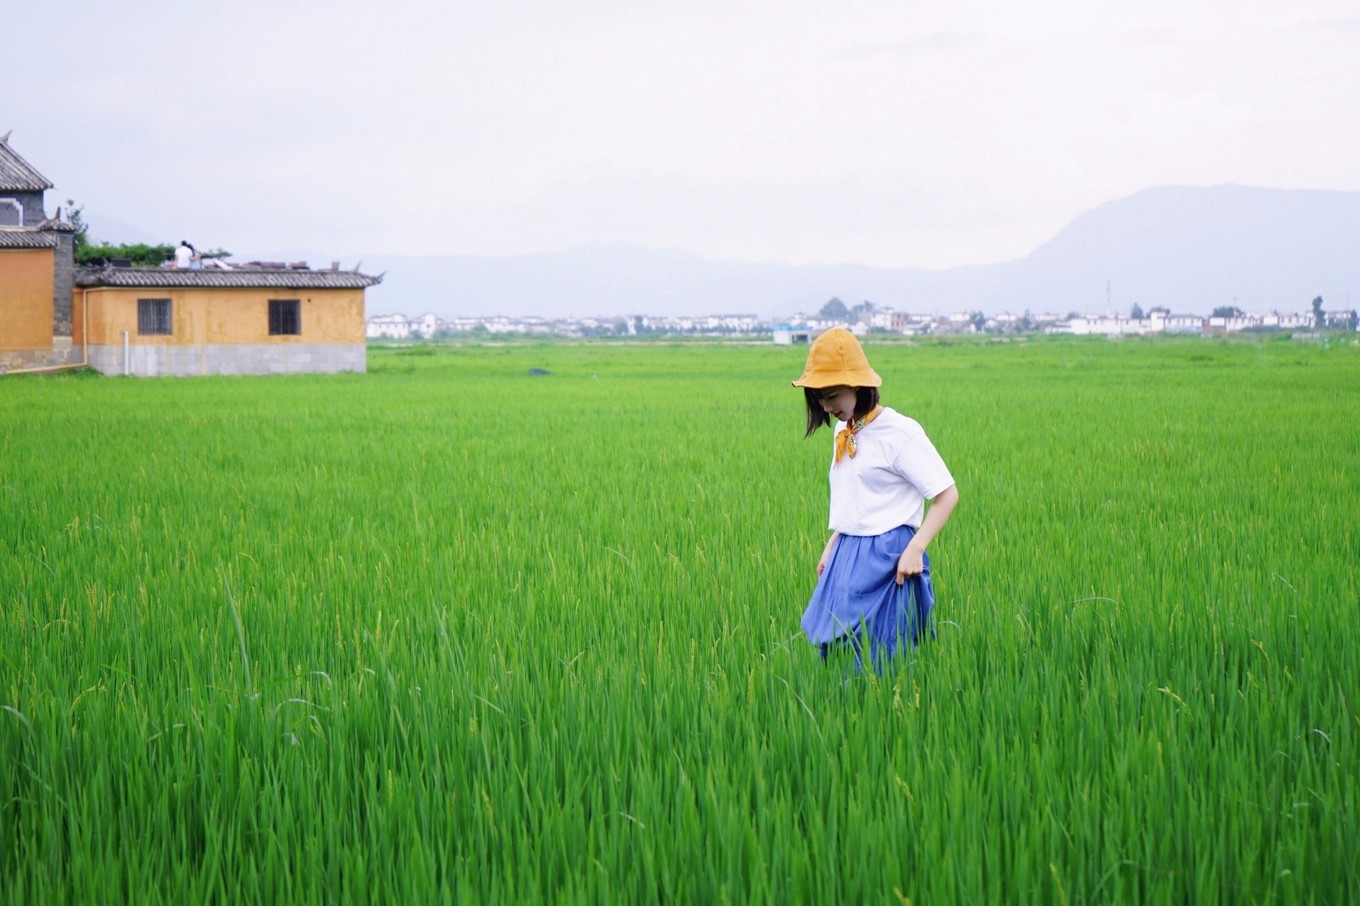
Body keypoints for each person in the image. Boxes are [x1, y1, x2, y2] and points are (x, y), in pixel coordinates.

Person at [792, 327, 959, 672]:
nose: (826, 406)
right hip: (846, 554)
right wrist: (834, 542)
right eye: (818, 397)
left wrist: (915, 548)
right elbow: (857, 498)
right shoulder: (844, 431)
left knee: (884, 658)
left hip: (888, 557)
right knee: (838, 655)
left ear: (858, 385)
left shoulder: (900, 433)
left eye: (832, 394)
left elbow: (946, 494)